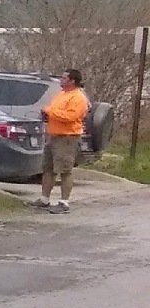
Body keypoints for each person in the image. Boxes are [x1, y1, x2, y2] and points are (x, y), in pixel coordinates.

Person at [36, 68, 91, 212]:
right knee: (48, 168)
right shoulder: (61, 94)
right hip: (53, 135)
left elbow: (71, 117)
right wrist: (47, 114)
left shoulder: (78, 97)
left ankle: (64, 202)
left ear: (72, 81)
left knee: (65, 170)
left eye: (64, 78)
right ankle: (44, 199)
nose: (61, 80)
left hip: (67, 137)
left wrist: (50, 112)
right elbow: (54, 111)